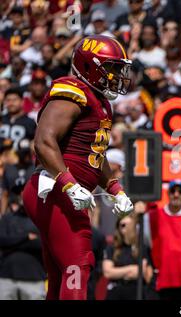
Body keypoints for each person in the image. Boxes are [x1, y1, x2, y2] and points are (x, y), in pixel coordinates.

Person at [22, 35, 134, 300]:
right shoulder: (73, 91)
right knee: (79, 262)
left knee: (61, 274)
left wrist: (115, 188)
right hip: (57, 190)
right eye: (112, 69)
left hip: (62, 190)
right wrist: (69, 184)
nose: (117, 76)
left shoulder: (99, 100)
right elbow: (43, 141)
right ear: (88, 66)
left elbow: (94, 152)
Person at [102, 212, 153, 300]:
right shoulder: (113, 247)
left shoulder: (143, 248)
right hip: (116, 293)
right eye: (122, 225)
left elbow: (144, 273)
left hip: (137, 292)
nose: (125, 229)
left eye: (128, 225)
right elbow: (108, 272)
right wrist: (130, 269)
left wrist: (118, 272)